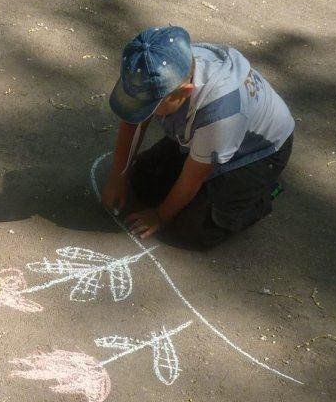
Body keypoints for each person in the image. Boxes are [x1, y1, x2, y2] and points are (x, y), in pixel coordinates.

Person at [101, 26, 294, 248]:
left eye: (152, 106)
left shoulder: (221, 112)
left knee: (192, 228)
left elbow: (194, 177)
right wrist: (119, 174)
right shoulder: (155, 64)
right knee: (143, 179)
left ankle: (262, 194)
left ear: (185, 91)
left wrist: (161, 216)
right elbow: (134, 116)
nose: (145, 111)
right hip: (210, 136)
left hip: (260, 152)